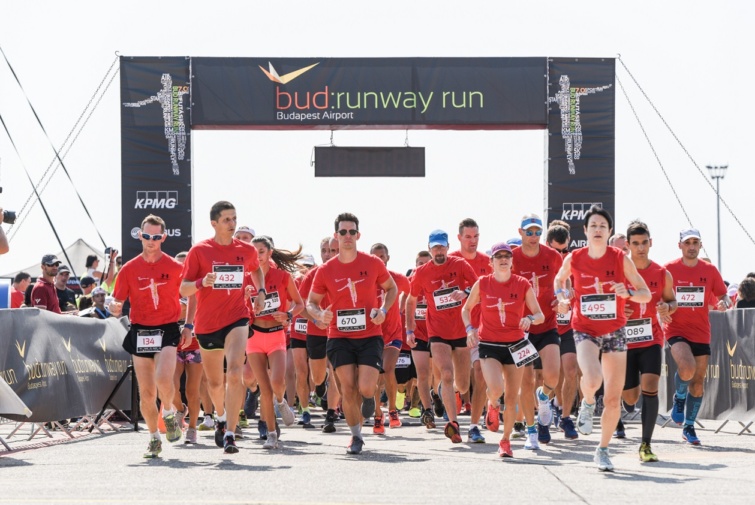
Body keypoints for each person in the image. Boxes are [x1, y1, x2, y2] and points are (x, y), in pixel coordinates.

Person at [554, 206, 651, 471]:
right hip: (585, 328)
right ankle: (586, 403)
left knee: (612, 398)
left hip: (615, 331)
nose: (598, 230)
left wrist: (628, 292)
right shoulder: (574, 258)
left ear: (609, 233)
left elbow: (646, 294)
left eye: (603, 226)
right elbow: (559, 280)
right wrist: (563, 298)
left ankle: (603, 449)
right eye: (593, 226)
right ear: (585, 231)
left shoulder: (620, 259)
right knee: (593, 379)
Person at [306, 212, 397, 455]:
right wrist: (318, 314)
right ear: (336, 236)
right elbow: (311, 302)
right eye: (343, 232)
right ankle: (356, 436)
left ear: (358, 235)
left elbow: (391, 288)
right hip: (339, 336)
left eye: (352, 232)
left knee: (366, 387)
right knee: (347, 389)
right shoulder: (325, 270)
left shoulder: (372, 263)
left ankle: (370, 398)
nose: (348, 236)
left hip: (369, 335)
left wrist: (383, 310)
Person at [179, 201, 266, 454]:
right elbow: (183, 289)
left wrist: (260, 292)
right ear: (214, 223)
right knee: (215, 384)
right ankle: (219, 417)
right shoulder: (200, 251)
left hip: (238, 318)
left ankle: (230, 432)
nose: (232, 223)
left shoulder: (246, 250)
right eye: (227, 219)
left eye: (234, 218)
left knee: (236, 371)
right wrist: (201, 281)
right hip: (207, 324)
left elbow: (256, 270)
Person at [109, 214, 186, 458]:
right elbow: (117, 299)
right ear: (139, 236)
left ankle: (171, 413)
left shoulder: (175, 267)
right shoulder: (129, 268)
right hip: (140, 330)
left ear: (163, 237)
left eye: (155, 236)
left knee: (164, 380)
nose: (150, 241)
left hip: (168, 329)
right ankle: (153, 438)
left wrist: (190, 324)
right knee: (147, 392)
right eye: (146, 236)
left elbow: (190, 294)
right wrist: (114, 306)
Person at [462, 242, 544, 458]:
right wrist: (470, 329)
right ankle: (491, 402)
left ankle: (505, 441)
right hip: (489, 344)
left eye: (507, 256)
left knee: (512, 397)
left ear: (512, 261)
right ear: (491, 262)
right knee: (497, 389)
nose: (504, 259)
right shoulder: (483, 283)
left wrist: (529, 318)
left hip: (515, 345)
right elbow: (466, 309)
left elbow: (540, 315)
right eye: (499, 256)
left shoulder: (522, 284)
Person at [406, 230, 478, 444]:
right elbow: (411, 301)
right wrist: (410, 329)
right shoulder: (421, 273)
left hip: (461, 331)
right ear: (429, 248)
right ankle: (453, 424)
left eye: (442, 247)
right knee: (446, 373)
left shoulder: (460, 265)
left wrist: (465, 293)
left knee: (463, 385)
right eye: (434, 247)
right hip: (436, 332)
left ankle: (444, 390)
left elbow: (478, 286)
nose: (438, 251)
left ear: (448, 247)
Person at [664, 228, 729, 445]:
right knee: (687, 367)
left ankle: (689, 427)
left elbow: (723, 295)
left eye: (695, 242)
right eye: (687, 242)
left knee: (699, 383)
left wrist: (724, 303)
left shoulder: (709, 270)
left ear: (700, 245)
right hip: (676, 330)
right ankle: (679, 397)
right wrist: (661, 309)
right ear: (680, 245)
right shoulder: (669, 269)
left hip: (701, 332)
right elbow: (658, 296)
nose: (691, 246)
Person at [618, 220, 676, 462]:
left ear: (650, 243)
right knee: (631, 398)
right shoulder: (622, 272)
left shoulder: (662, 273)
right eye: (635, 244)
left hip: (652, 337)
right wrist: (621, 311)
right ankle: (626, 404)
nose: (640, 248)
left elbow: (673, 302)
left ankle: (646, 444)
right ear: (628, 246)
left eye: (644, 243)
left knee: (650, 387)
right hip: (625, 341)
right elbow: (608, 303)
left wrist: (666, 307)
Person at [245, 236, 305, 450]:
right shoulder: (246, 277)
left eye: (261, 251)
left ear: (269, 253)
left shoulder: (282, 276)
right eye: (253, 252)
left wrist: (288, 314)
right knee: (264, 388)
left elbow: (299, 304)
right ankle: (271, 433)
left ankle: (282, 401)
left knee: (277, 382)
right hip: (253, 337)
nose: (257, 256)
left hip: (276, 335)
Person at [512, 214, 564, 449]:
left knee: (552, 376)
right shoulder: (511, 258)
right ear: (521, 232)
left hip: (547, 324)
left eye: (537, 232)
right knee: (527, 380)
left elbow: (564, 283)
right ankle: (532, 431)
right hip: (521, 329)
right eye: (529, 232)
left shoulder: (552, 256)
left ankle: (544, 399)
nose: (534, 236)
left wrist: (562, 299)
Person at [449, 218, 491, 443]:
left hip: (481, 329)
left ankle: (474, 426)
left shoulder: (487, 261)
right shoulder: (450, 260)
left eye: (476, 236)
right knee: (463, 383)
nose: (472, 241)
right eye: (468, 237)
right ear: (459, 238)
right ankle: (454, 389)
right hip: (456, 331)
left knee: (480, 373)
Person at [299, 236, 342, 434]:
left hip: (339, 331)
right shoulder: (313, 274)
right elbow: (299, 305)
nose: (329, 254)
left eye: (333, 251)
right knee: (317, 378)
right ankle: (320, 381)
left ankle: (331, 414)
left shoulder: (346, 272)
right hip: (316, 330)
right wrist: (316, 319)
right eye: (325, 250)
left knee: (336, 372)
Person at [369, 243, 410, 433]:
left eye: (382, 256)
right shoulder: (366, 279)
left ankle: (393, 409)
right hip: (373, 334)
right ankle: (378, 414)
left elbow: (411, 292)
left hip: (394, 333)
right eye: (374, 256)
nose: (379, 260)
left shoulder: (397, 278)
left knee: (388, 368)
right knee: (376, 375)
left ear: (387, 258)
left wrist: (401, 308)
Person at [545, 221, 579, 439]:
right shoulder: (542, 261)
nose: (560, 255)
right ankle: (553, 407)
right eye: (555, 250)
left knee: (571, 371)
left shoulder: (573, 261)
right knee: (552, 375)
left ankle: (566, 417)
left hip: (569, 326)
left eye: (564, 250)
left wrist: (576, 292)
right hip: (548, 327)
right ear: (547, 244)